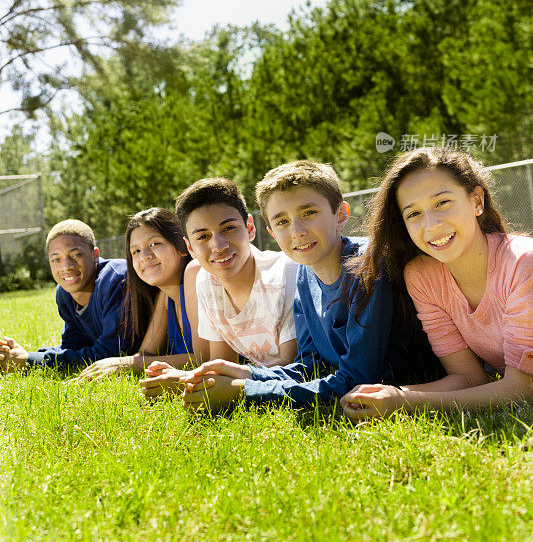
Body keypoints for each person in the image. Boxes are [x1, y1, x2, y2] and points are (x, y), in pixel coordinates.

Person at [163, 160, 435, 410]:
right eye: (282, 221)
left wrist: (245, 391)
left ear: (340, 214)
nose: (297, 231)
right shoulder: (304, 274)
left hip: (422, 380)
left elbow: (357, 380)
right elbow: (310, 365)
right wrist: (245, 372)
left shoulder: (367, 268)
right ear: (271, 231)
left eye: (309, 212)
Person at [341, 147, 533, 419]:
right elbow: (469, 378)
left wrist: (404, 403)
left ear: (477, 201)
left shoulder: (523, 262)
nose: (431, 225)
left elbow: (523, 389)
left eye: (442, 203)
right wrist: (389, 394)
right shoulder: (422, 277)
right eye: (414, 214)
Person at [140, 177, 298, 397]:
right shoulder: (206, 282)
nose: (218, 245)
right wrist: (189, 378)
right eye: (203, 236)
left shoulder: (285, 272)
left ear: (250, 227)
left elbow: (292, 367)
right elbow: (220, 365)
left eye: (229, 228)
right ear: (190, 247)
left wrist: (188, 380)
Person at [76, 208, 210, 380]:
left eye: (154, 244)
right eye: (136, 251)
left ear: (182, 247)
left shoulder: (196, 276)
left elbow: (203, 359)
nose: (144, 256)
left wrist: (128, 364)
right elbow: (146, 353)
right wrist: (114, 364)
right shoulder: (166, 296)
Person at [0, 219, 132, 371]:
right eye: (56, 259)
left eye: (76, 255)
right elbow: (72, 347)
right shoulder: (64, 293)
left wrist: (29, 361)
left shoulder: (115, 279)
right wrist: (19, 356)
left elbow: (113, 354)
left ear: (95, 254)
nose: (66, 266)